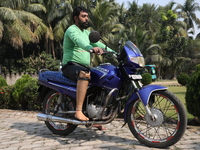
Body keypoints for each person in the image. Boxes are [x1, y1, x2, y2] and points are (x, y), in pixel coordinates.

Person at [61, 6, 115, 124]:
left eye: (87, 16)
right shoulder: (72, 30)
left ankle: (96, 115)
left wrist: (115, 53)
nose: (86, 19)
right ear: (76, 18)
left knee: (101, 78)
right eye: (83, 16)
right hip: (70, 65)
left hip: (83, 66)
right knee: (84, 74)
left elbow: (99, 43)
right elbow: (80, 42)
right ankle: (79, 110)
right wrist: (90, 48)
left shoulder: (86, 32)